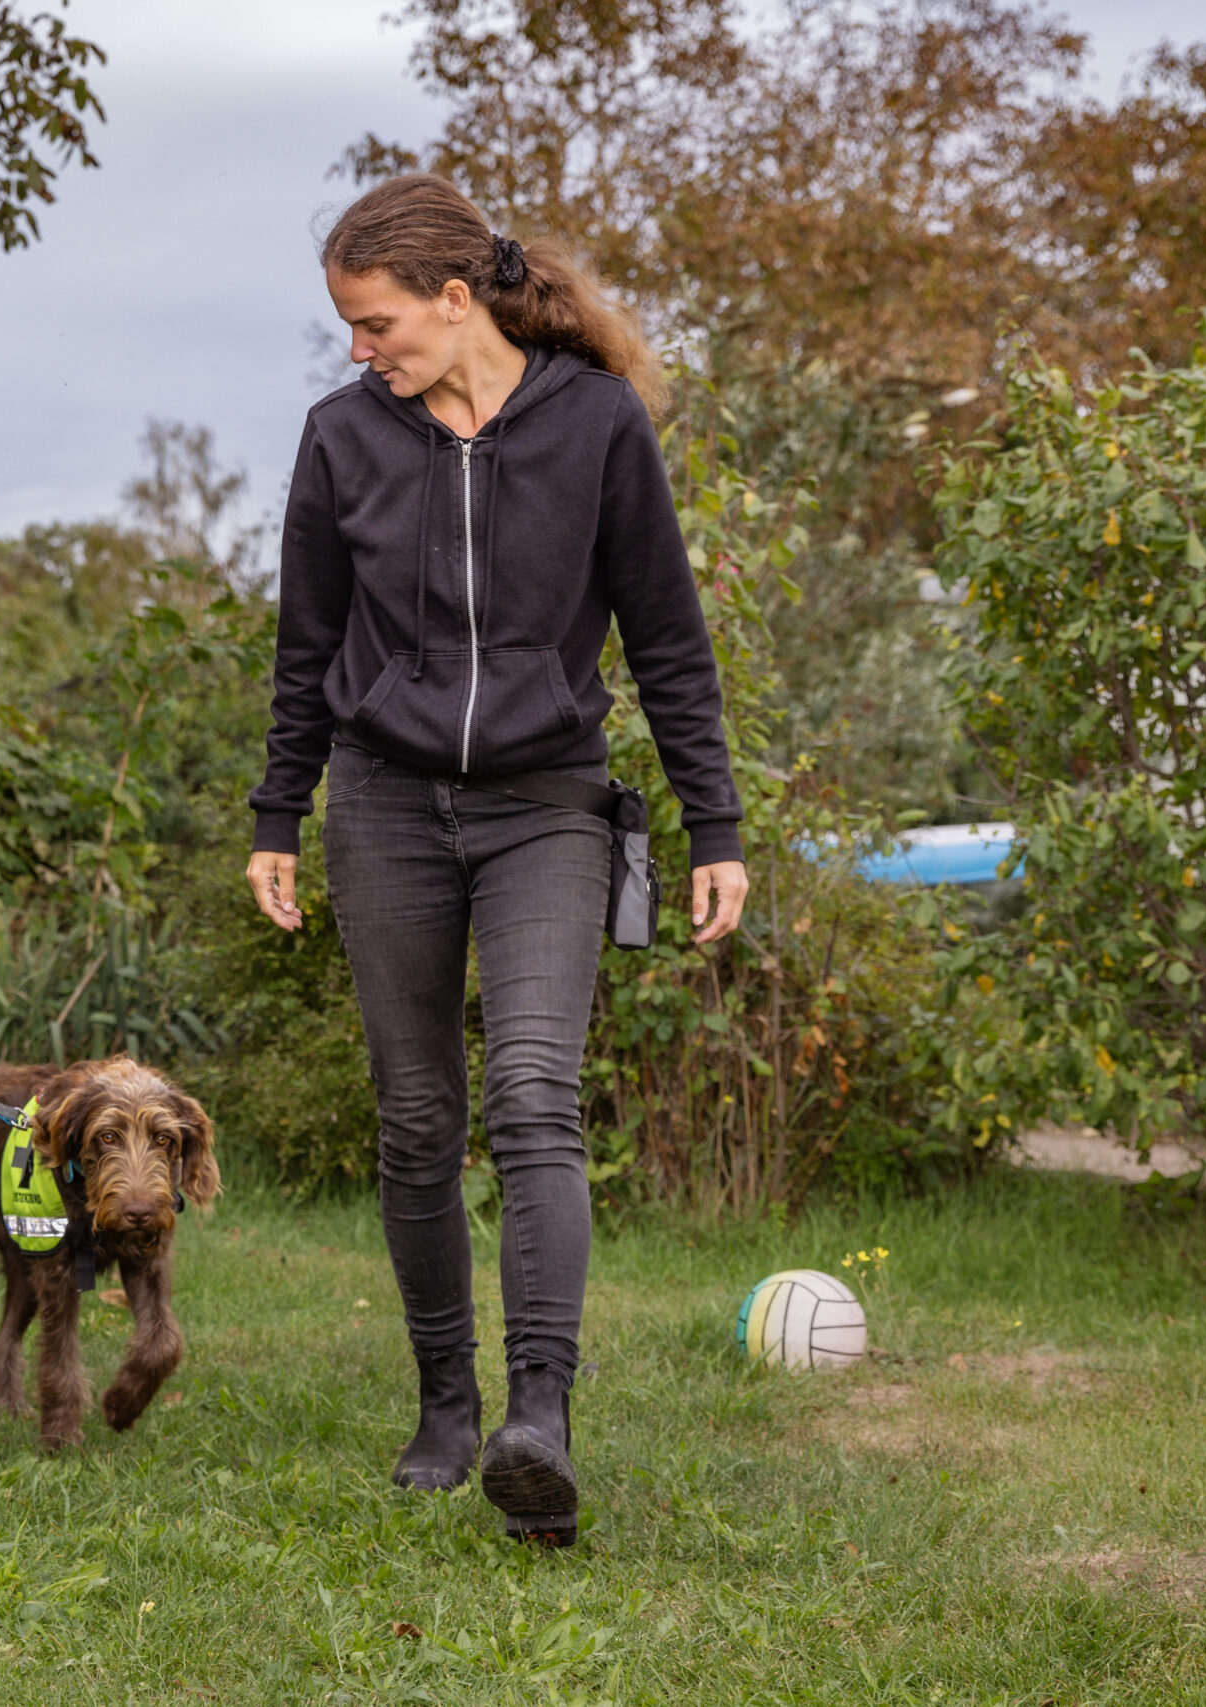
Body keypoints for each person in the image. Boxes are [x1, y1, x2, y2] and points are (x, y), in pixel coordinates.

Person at [245, 175, 748, 1549]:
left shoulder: (596, 427)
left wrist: (717, 825)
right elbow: (306, 647)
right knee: (417, 1118)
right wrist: (277, 812)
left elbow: (668, 637)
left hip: (549, 805)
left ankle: (541, 1419)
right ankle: (446, 1407)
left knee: (532, 1093)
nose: (361, 349)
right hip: (386, 805)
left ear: (455, 299)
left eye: (376, 320)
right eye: (349, 327)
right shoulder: (342, 439)